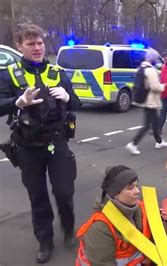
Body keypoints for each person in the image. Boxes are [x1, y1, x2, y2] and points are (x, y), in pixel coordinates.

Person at [0, 23, 80, 263]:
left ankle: (68, 228)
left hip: (57, 142)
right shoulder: (9, 74)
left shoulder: (57, 72)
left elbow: (76, 102)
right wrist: (18, 102)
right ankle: (44, 241)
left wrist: (68, 97)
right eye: (30, 43)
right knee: (38, 197)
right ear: (19, 46)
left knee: (64, 192)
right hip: (27, 146)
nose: (36, 48)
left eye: (39, 43)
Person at [75, 165, 167, 266]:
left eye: (136, 185)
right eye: (130, 188)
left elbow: (157, 243)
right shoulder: (100, 229)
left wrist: (156, 220)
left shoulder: (144, 207)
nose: (137, 191)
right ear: (115, 194)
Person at [125, 48, 167, 155]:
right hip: (150, 100)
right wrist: (163, 86)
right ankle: (133, 144)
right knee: (147, 125)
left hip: (144, 99)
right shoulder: (151, 70)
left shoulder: (141, 68)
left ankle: (159, 141)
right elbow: (155, 87)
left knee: (155, 122)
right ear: (153, 59)